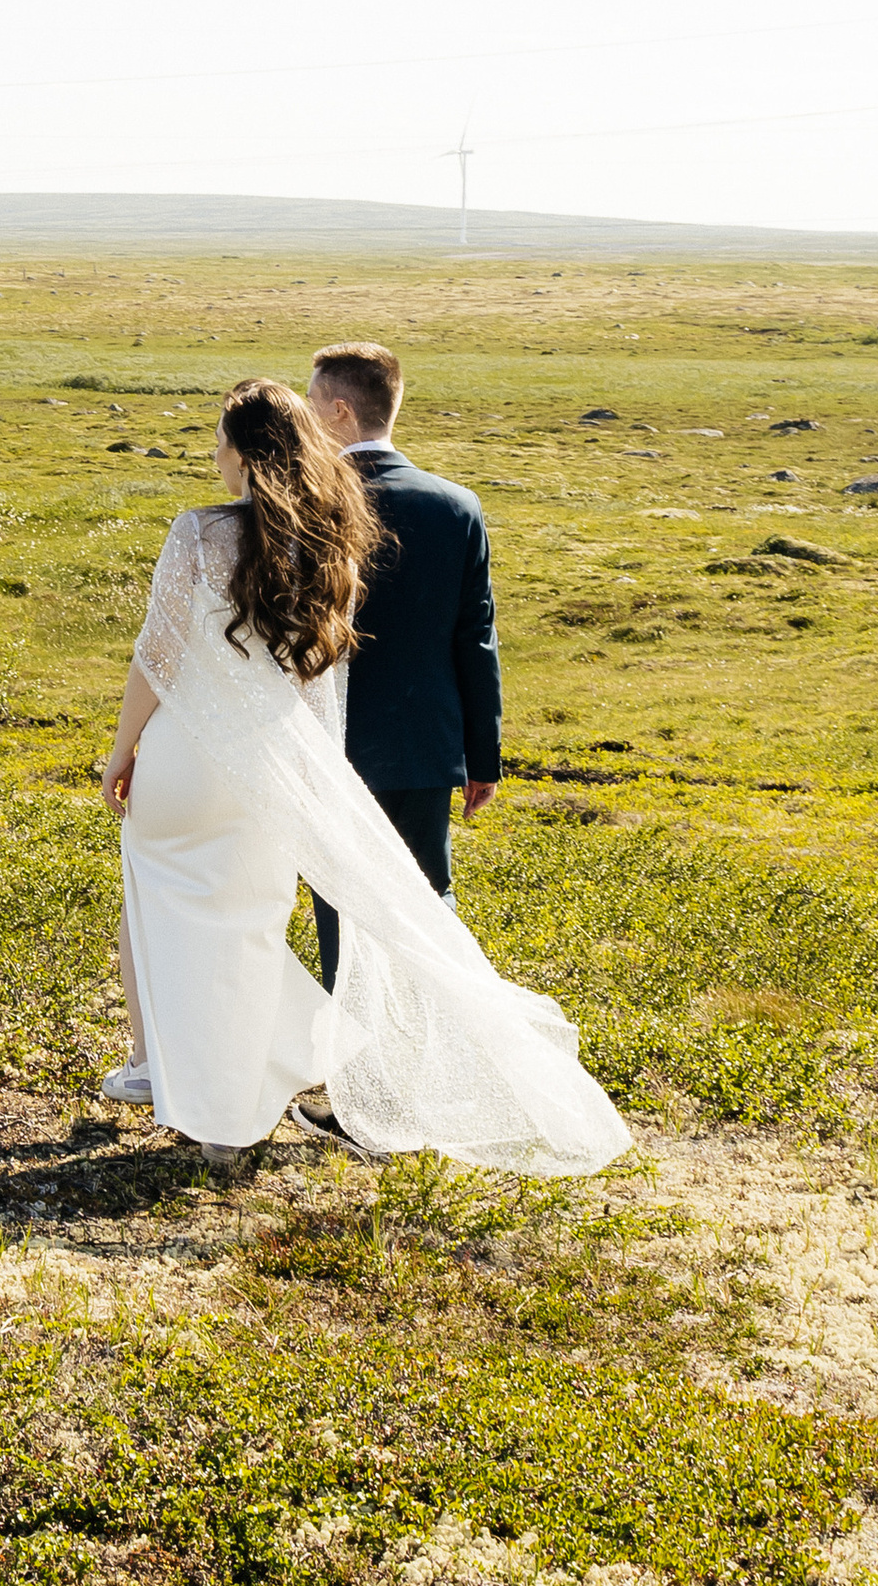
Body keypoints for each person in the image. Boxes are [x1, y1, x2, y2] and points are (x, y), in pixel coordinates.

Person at [96, 377, 629, 1180]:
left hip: (187, 761)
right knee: (250, 930)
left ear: (241, 453)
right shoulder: (326, 543)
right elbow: (317, 678)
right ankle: (227, 1110)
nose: (214, 455)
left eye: (219, 441)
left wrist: (123, 748)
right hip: (270, 770)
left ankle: (169, 1073)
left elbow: (159, 655)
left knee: (161, 915)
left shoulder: (198, 532)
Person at [300, 339, 497, 989]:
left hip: (330, 741)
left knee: (341, 903)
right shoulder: (457, 505)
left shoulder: (307, 504)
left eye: (311, 400)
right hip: (424, 743)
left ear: (339, 410)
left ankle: (355, 1041)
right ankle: (450, 1027)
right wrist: (482, 758)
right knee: (427, 900)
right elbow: (475, 640)